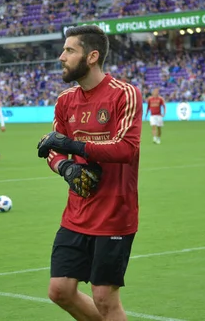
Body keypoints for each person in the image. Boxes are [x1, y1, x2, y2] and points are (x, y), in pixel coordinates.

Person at [37, 25, 142, 321]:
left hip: (114, 213)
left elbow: (127, 149)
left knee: (104, 298)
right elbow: (52, 149)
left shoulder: (125, 94)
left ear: (92, 56)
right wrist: (65, 166)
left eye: (69, 50)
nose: (61, 57)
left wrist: (73, 146)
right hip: (77, 211)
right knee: (59, 290)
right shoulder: (65, 101)